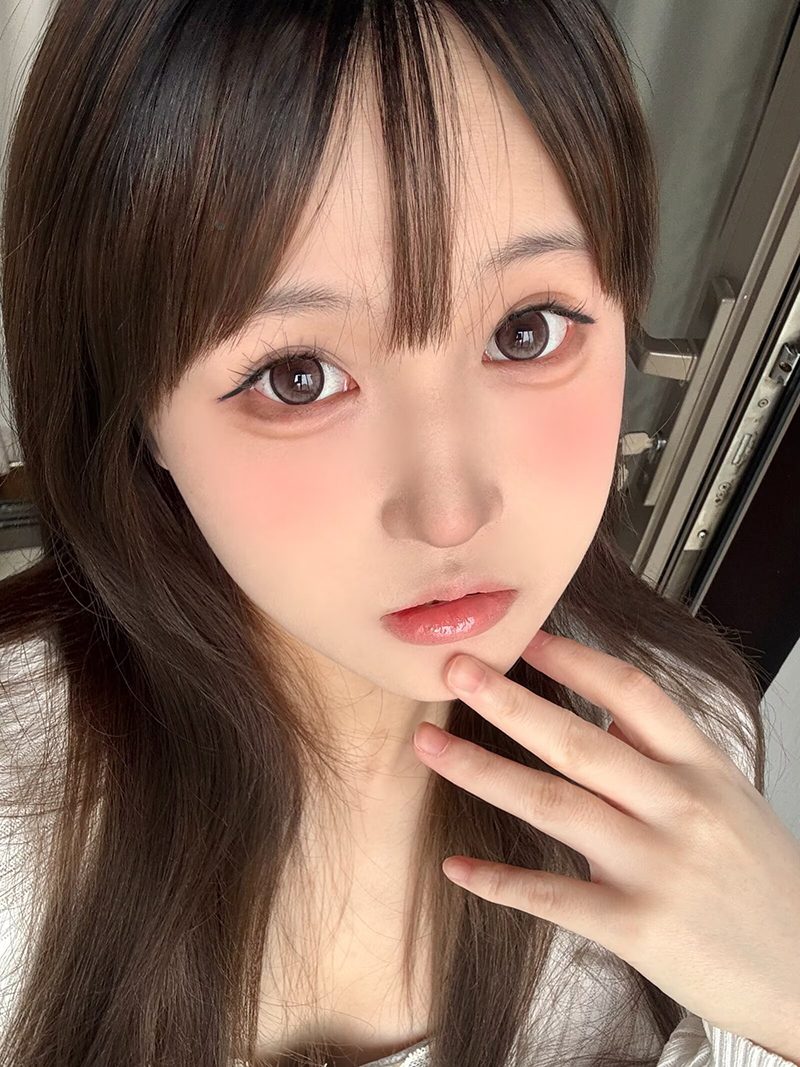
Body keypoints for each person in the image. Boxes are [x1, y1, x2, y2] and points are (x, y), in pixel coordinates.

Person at [0, 2, 787, 1066]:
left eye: (526, 331)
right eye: (298, 376)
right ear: (137, 409)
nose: (450, 511)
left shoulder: (678, 754)